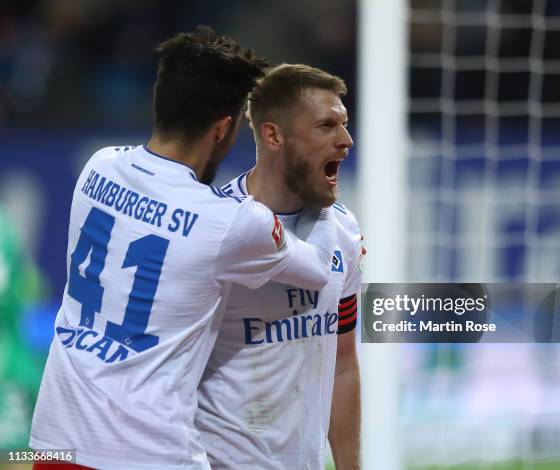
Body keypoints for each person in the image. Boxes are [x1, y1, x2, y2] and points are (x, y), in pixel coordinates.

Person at [29, 28, 338, 470]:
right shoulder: (231, 221)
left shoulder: (98, 167)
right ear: (223, 128)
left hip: (56, 444)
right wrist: (323, 196)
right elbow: (319, 268)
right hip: (150, 455)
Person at [196, 64, 362, 470]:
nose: (346, 141)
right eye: (326, 126)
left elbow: (342, 365)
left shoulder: (343, 230)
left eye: (344, 124)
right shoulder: (213, 230)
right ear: (273, 135)